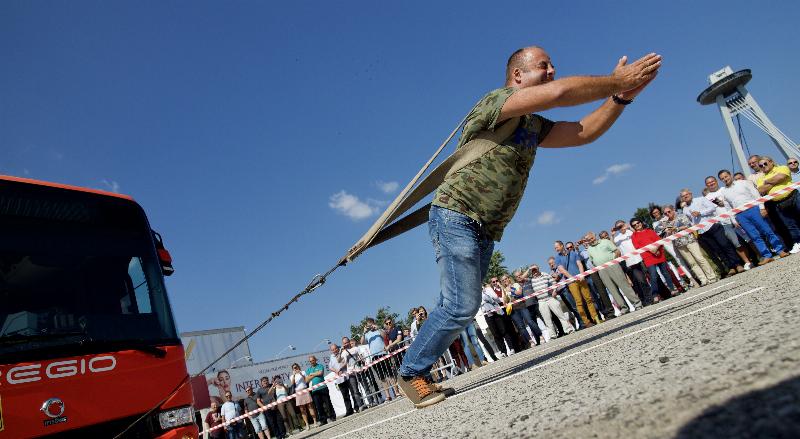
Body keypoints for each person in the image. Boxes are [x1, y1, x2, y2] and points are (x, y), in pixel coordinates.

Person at [395, 45, 661, 408]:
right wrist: (617, 79)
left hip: (486, 226)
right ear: (518, 76)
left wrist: (619, 97)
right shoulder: (495, 102)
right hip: (456, 213)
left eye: (553, 66)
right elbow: (558, 94)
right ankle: (411, 374)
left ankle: (416, 370)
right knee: (461, 305)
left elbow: (584, 132)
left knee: (456, 303)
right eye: (543, 66)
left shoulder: (534, 125)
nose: (552, 70)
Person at [718, 169, 789, 263]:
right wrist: (734, 221)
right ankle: (767, 255)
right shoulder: (723, 192)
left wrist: (762, 207)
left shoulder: (744, 183)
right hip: (740, 215)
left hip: (754, 209)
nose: (725, 179)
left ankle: (780, 250)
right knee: (754, 236)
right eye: (722, 178)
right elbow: (728, 208)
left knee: (767, 231)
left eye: (726, 176)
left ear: (730, 175)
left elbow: (756, 195)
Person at [680, 188, 744, 275]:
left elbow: (712, 208)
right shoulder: (685, 210)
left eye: (686, 194)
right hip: (702, 232)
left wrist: (700, 213)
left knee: (725, 244)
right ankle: (730, 267)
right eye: (683, 196)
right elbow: (691, 221)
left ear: (690, 194)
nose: (685, 196)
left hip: (713, 225)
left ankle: (738, 264)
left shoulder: (701, 199)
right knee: (717, 250)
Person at [660, 205, 718, 286]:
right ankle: (703, 279)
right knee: (692, 263)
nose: (667, 214)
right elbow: (669, 234)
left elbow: (688, 225)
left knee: (699, 258)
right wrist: (667, 231)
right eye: (665, 213)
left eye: (669, 211)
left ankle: (712, 276)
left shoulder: (681, 215)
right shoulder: (666, 223)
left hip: (690, 240)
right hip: (679, 244)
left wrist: (676, 229)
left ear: (673, 210)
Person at [585, 231, 641, 312]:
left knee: (624, 285)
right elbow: (592, 261)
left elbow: (617, 251)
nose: (591, 240)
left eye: (591, 238)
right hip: (602, 270)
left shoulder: (605, 242)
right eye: (588, 240)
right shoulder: (589, 249)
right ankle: (624, 307)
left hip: (613, 265)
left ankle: (637, 303)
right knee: (612, 290)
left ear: (595, 236)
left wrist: (614, 261)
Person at [704, 176, 753, 270]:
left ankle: (759, 256)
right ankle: (747, 262)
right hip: (725, 223)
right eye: (709, 183)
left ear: (716, 181)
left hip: (737, 218)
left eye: (713, 181)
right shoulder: (707, 197)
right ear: (707, 185)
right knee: (736, 244)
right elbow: (721, 203)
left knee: (749, 239)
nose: (711, 183)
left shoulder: (724, 189)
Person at [756, 155, 800, 253]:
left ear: (771, 162)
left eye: (765, 163)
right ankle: (798, 242)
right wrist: (775, 180)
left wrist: (767, 181)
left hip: (793, 196)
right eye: (760, 165)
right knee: (790, 225)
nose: (763, 166)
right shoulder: (760, 178)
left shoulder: (782, 168)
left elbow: (782, 176)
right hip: (779, 203)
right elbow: (761, 190)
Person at [631, 219, 677, 304]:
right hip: (648, 256)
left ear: (641, 222)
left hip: (659, 253)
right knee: (653, 276)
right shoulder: (634, 236)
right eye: (634, 225)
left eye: (638, 222)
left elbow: (658, 239)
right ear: (633, 227)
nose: (637, 225)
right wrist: (651, 250)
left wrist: (656, 249)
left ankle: (672, 289)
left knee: (665, 272)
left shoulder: (650, 230)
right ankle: (655, 295)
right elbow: (638, 246)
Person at [554, 240, 599, 327]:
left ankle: (595, 318)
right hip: (571, 282)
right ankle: (586, 322)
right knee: (579, 302)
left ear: (562, 245)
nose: (556, 249)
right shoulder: (557, 258)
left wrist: (582, 274)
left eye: (557, 247)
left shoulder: (573, 253)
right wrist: (571, 277)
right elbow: (561, 269)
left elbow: (579, 264)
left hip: (581, 278)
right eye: (555, 248)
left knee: (588, 299)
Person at [528, 264, 574, 338]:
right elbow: (521, 278)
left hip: (550, 298)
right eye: (532, 270)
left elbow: (554, 283)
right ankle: (552, 335)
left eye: (535, 269)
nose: (534, 271)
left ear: (538, 268)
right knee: (547, 319)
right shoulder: (531, 280)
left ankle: (569, 329)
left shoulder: (545, 275)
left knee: (560, 315)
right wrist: (530, 269)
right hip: (541, 301)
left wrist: (555, 291)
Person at [612, 220, 649, 303]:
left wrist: (629, 227)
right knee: (641, 281)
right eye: (619, 227)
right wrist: (612, 235)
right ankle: (648, 298)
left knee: (651, 276)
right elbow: (613, 247)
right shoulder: (617, 238)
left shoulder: (630, 232)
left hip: (641, 257)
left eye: (622, 225)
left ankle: (661, 294)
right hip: (631, 262)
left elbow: (639, 234)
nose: (621, 228)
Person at [340, 336, 367, 412]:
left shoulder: (355, 348)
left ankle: (371, 401)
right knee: (355, 391)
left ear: (349, 342)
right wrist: (340, 351)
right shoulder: (344, 352)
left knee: (365, 386)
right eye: (344, 343)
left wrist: (363, 364)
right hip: (351, 373)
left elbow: (361, 357)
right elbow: (340, 361)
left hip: (359, 370)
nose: (346, 344)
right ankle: (360, 405)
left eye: (347, 342)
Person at [306, 355, 336, 425]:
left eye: (313, 360)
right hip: (314, 390)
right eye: (310, 361)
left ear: (315, 360)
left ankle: (332, 417)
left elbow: (320, 373)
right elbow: (306, 380)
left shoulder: (320, 366)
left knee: (328, 403)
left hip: (323, 387)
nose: (312, 362)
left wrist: (312, 374)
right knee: (319, 406)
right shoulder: (308, 370)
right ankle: (323, 420)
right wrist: (315, 374)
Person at [329, 343, 357, 416]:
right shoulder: (331, 357)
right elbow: (330, 367)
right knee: (345, 395)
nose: (334, 350)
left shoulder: (342, 353)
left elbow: (345, 362)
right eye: (333, 349)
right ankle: (349, 410)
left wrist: (340, 368)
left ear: (337, 348)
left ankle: (357, 407)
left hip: (347, 375)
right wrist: (336, 371)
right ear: (331, 351)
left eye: (335, 348)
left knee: (353, 392)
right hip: (339, 379)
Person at [289, 363, 315, 430]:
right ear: (292, 369)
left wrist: (300, 374)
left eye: (296, 367)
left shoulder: (303, 372)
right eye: (294, 368)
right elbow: (292, 384)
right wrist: (294, 375)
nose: (295, 368)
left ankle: (315, 422)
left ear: (298, 367)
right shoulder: (292, 376)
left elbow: (306, 380)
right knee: (302, 409)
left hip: (304, 390)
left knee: (310, 406)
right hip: (298, 392)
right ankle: (307, 424)